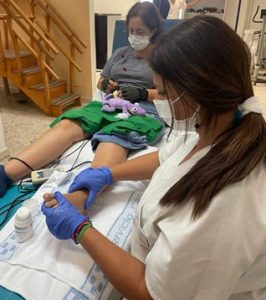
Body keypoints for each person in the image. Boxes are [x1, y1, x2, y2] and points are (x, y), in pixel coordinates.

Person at [42, 16, 266, 299]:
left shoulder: (224, 208)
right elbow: (166, 157)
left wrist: (79, 229)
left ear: (195, 91)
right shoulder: (221, 125)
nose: (157, 98)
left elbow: (151, 292)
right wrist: (109, 173)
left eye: (161, 91)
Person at [0, 1, 164, 200]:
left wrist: (144, 94)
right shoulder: (120, 53)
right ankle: (6, 174)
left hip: (142, 111)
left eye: (140, 31)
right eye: (131, 30)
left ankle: (80, 197)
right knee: (71, 122)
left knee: (114, 134)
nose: (134, 36)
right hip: (110, 103)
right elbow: (101, 80)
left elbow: (172, 93)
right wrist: (104, 85)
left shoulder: (162, 57)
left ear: (153, 30)